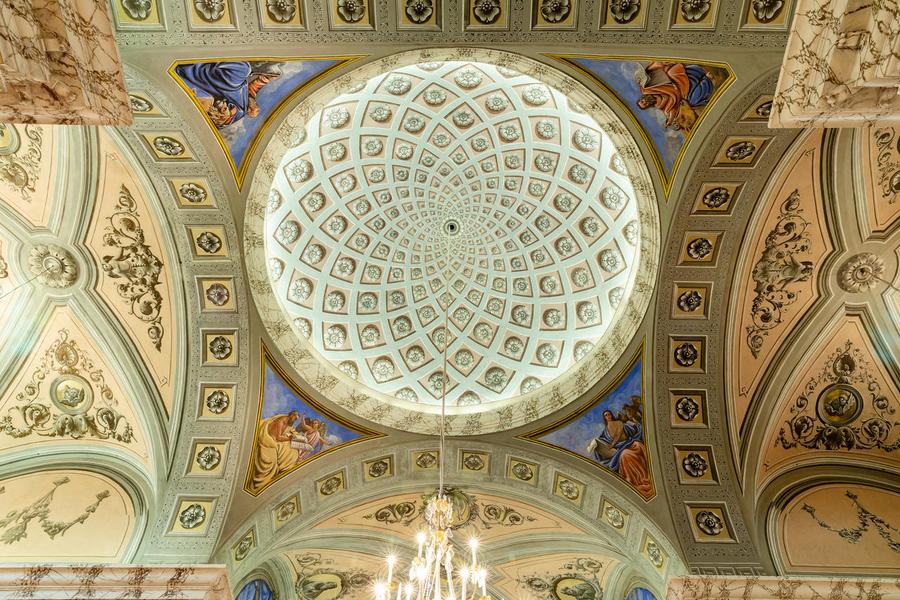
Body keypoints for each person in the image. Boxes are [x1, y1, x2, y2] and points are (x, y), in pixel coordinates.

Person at [175, 60, 283, 128]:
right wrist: (262, 83)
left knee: (242, 71)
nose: (225, 105)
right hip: (221, 78)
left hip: (195, 73)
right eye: (226, 108)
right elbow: (247, 92)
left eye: (223, 108)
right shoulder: (238, 110)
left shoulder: (226, 86)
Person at [635, 61, 716, 133]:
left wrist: (656, 66)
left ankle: (699, 72)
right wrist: (670, 121)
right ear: (648, 106)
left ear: (642, 98)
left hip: (674, 82)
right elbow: (671, 110)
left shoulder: (646, 90)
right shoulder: (660, 105)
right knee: (692, 100)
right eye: (645, 104)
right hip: (680, 94)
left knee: (672, 72)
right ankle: (707, 80)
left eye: (642, 101)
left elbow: (648, 72)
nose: (645, 102)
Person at [586, 409, 652, 495]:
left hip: (629, 443)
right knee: (625, 455)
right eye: (606, 415)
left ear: (611, 415)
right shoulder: (605, 432)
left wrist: (612, 444)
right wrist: (594, 444)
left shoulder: (619, 423)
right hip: (620, 450)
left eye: (609, 414)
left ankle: (646, 476)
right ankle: (635, 481)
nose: (608, 416)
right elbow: (601, 442)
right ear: (604, 418)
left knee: (638, 445)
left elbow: (619, 434)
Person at [250, 410, 301, 492]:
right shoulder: (281, 421)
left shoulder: (289, 423)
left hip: (276, 440)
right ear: (291, 414)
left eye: (296, 419)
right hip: (268, 440)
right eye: (294, 417)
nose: (294, 420)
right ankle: (262, 483)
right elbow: (278, 438)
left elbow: (290, 430)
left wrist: (294, 436)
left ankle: (284, 466)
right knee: (271, 460)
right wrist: (290, 438)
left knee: (293, 451)